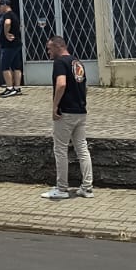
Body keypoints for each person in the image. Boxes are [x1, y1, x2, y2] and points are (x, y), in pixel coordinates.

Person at [41, 36, 93, 200]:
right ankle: (87, 187)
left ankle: (61, 188)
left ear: (58, 46)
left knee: (60, 149)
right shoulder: (77, 62)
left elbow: (61, 84)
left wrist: (55, 106)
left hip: (66, 112)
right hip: (80, 111)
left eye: (50, 48)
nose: (48, 52)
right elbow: (83, 86)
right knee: (82, 149)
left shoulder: (60, 63)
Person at [0, 0, 24, 98]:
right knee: (16, 66)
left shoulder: (7, 15)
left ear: (5, 5)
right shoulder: (14, 15)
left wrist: (6, 33)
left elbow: (7, 23)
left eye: (0, 6)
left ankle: (9, 88)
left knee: (5, 66)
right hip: (16, 44)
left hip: (9, 45)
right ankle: (17, 87)